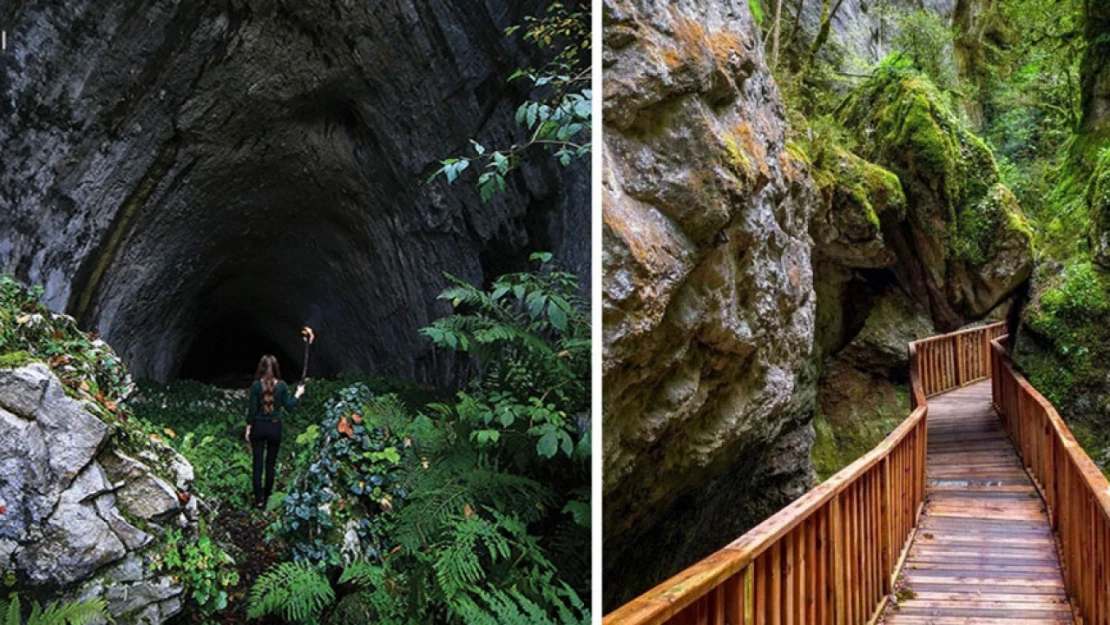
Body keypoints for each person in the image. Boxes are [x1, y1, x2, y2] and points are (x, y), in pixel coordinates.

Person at [245, 355, 304, 509]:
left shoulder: (256, 386)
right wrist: (298, 394)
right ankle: (267, 499)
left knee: (257, 465)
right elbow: (289, 406)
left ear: (261, 368)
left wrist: (248, 427)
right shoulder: (282, 386)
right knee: (270, 465)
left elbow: (252, 410)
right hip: (274, 427)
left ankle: (258, 501)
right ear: (277, 368)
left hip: (258, 427)